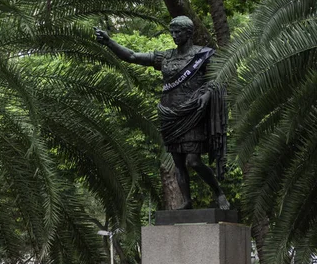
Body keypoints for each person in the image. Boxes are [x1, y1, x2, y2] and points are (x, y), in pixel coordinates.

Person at [95, 16, 230, 210]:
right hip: (169, 113)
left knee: (193, 160)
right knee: (178, 162)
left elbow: (217, 79)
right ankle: (186, 201)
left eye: (178, 32)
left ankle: (218, 193)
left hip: (193, 112)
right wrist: (109, 42)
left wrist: (208, 94)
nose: (174, 36)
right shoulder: (165, 57)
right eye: (172, 32)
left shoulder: (204, 55)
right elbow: (132, 56)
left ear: (189, 33)